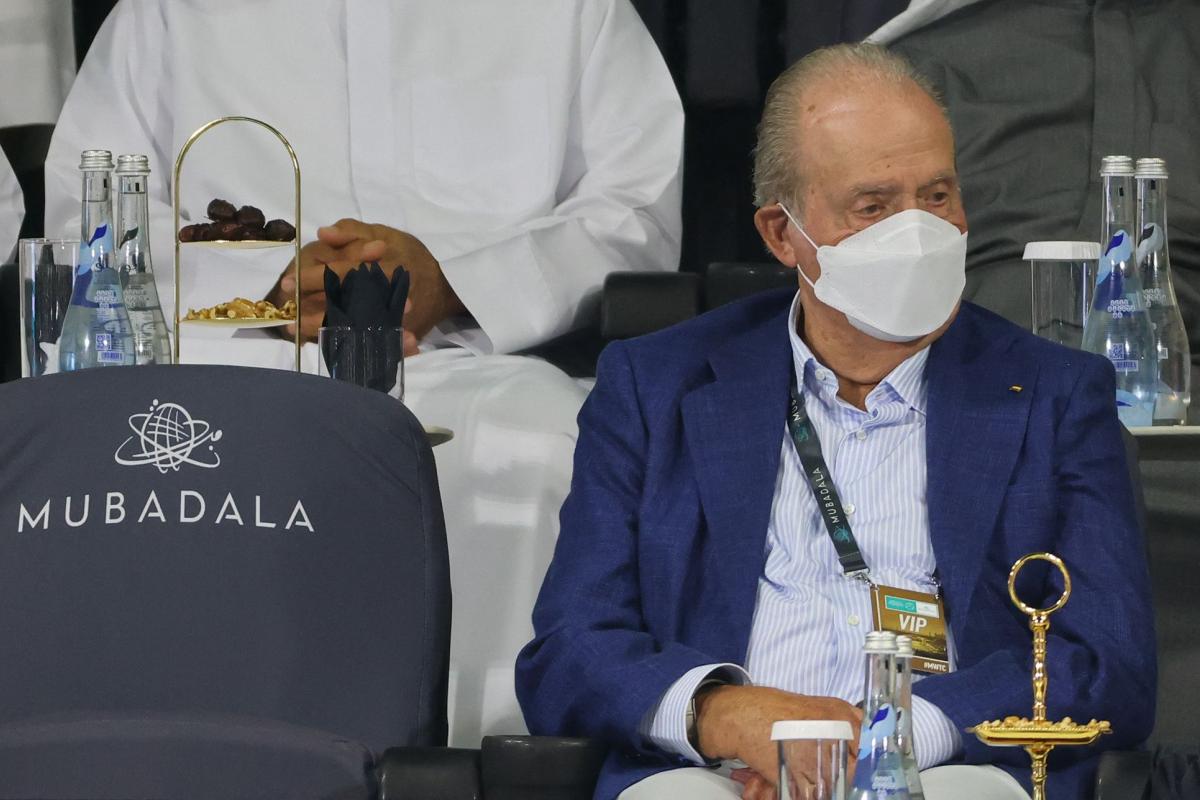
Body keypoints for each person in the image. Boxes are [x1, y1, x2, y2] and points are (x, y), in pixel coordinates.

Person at [516, 43, 1155, 800]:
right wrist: (725, 715)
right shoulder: (655, 386)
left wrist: (894, 735)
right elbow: (570, 649)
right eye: (873, 207)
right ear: (782, 234)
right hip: (716, 775)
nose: (917, 232)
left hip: (950, 769)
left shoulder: (1057, 395)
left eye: (938, 195)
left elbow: (1108, 663)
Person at [44, 0, 683, 747]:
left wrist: (457, 280)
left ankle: (496, 763)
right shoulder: (166, 12)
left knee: (543, 446)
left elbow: (638, 211)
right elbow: (87, 209)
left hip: (472, 363)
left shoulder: (573, 10)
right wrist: (265, 284)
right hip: (235, 356)